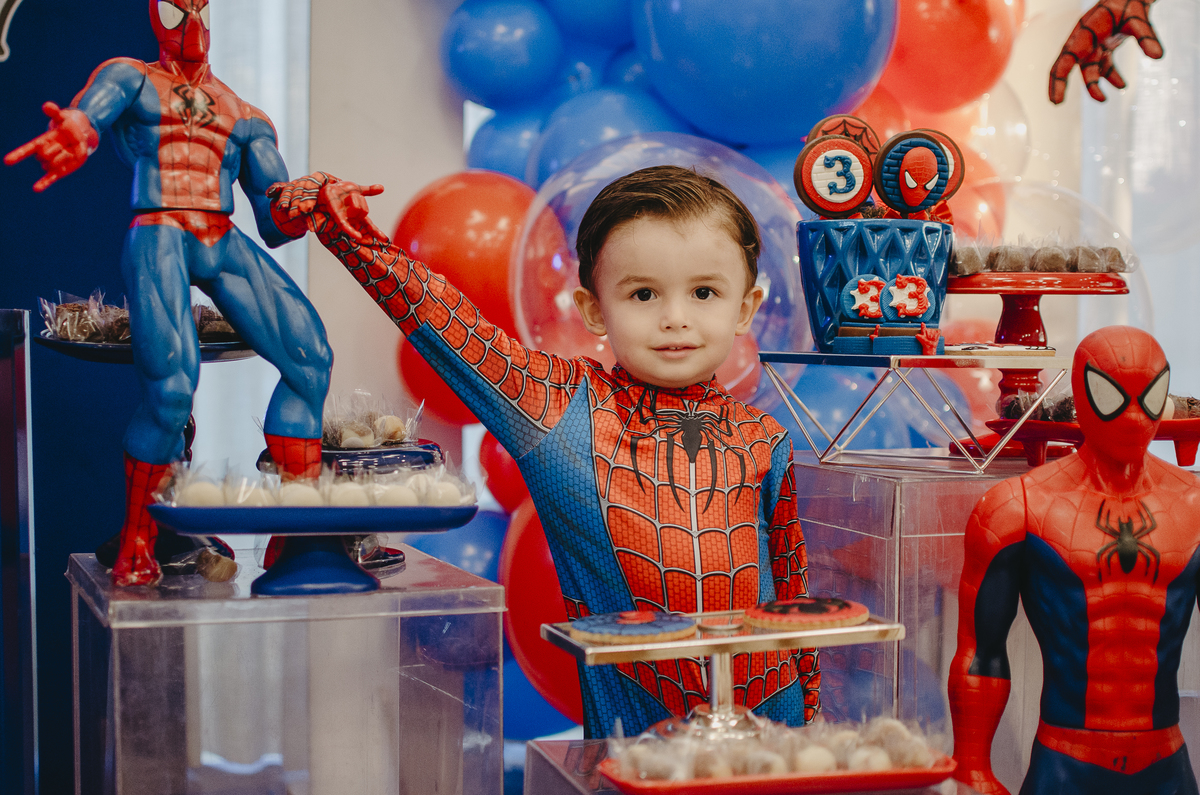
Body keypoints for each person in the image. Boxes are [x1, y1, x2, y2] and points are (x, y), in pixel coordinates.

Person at [270, 166, 820, 737]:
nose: (675, 317)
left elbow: (793, 590)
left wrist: (810, 723)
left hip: (774, 736)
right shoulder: (560, 409)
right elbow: (452, 327)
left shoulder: (764, 438)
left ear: (746, 308)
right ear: (594, 309)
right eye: (643, 293)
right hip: (637, 750)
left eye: (704, 292)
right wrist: (349, 236)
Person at [4, 0, 365, 586]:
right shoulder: (131, 77)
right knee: (172, 392)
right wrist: (76, 130)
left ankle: (297, 532)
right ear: (156, 14)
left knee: (310, 360)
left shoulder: (244, 115)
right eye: (175, 10)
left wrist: (315, 200)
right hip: (160, 229)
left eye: (197, 9)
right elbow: (90, 113)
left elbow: (275, 220)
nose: (190, 22)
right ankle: (138, 536)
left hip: (220, 235)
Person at [950, 325, 1200, 794]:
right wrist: (971, 768)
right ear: (1082, 396)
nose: (1133, 416)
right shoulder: (1018, 507)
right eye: (1111, 397)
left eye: (1150, 396)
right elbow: (981, 651)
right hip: (1066, 763)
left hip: (1165, 761)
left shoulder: (1193, 504)